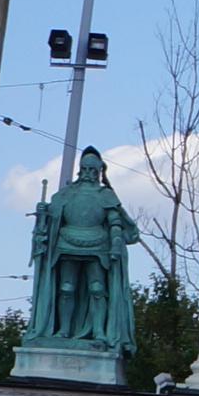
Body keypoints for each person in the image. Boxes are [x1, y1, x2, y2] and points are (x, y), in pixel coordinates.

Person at [28, 146, 137, 354]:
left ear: (98, 172)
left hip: (98, 245)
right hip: (66, 243)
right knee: (66, 288)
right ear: (80, 169)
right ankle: (64, 330)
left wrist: (116, 242)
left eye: (92, 170)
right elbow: (52, 220)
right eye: (84, 169)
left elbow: (115, 221)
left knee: (97, 289)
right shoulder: (66, 194)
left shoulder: (106, 195)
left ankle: (99, 331)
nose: (87, 174)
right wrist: (44, 213)